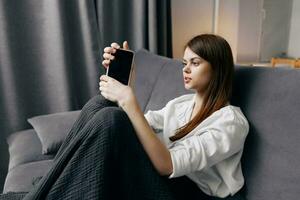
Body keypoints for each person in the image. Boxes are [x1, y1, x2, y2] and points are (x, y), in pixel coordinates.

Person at [20, 34, 248, 200]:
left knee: (112, 119)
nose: (185, 70)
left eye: (195, 63)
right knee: (101, 105)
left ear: (218, 69)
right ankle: (50, 185)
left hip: (190, 194)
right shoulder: (181, 105)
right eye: (184, 63)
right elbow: (133, 126)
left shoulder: (230, 122)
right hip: (168, 183)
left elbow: (167, 166)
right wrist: (126, 83)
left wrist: (129, 101)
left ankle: (44, 191)